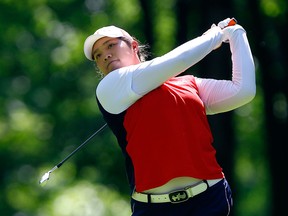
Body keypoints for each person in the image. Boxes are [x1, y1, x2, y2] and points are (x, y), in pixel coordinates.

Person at [83, 17, 256, 216]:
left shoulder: (188, 84)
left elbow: (243, 90)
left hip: (209, 200)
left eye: (111, 45)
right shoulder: (109, 88)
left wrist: (236, 33)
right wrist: (216, 35)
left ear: (134, 46)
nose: (105, 55)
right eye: (98, 55)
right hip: (154, 209)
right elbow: (178, 60)